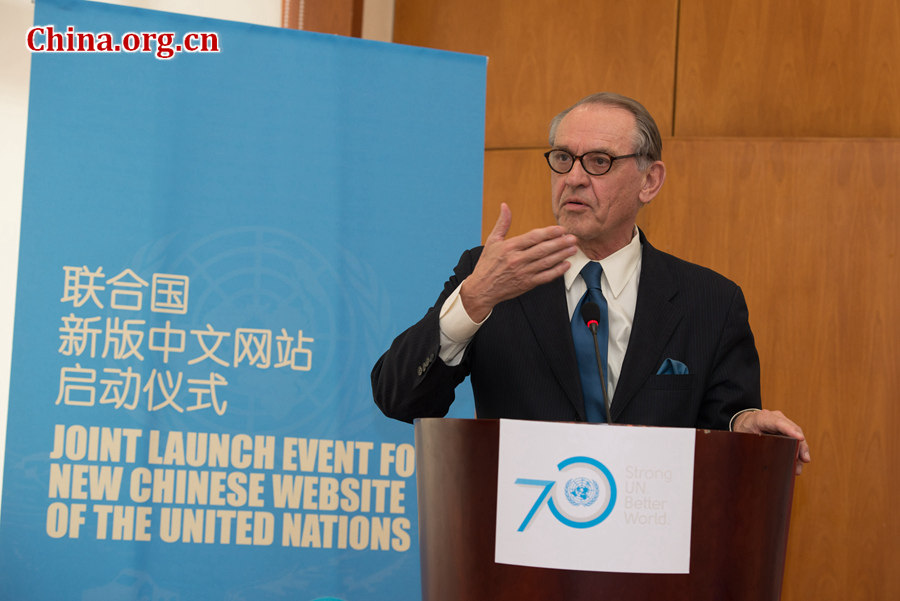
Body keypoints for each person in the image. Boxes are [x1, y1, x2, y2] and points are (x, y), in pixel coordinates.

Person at [371, 92, 810, 474]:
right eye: (563, 158)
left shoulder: (710, 301)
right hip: (521, 548)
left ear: (649, 181)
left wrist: (743, 424)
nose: (574, 177)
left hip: (651, 550)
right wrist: (473, 300)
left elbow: (723, 425)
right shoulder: (492, 275)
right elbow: (399, 399)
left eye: (599, 161)